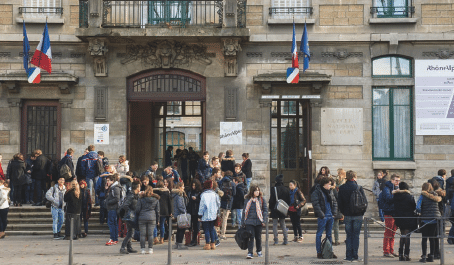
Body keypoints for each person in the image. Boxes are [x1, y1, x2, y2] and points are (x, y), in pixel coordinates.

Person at [338, 170, 367, 262]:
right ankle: (355, 256)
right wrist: (361, 213)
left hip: (347, 215)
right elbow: (365, 202)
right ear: (354, 177)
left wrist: (344, 212)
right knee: (356, 236)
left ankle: (348, 256)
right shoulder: (358, 187)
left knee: (349, 235)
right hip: (358, 215)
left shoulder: (342, 188)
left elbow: (339, 203)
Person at [311, 176, 338, 259]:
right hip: (323, 216)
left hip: (330, 216)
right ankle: (319, 252)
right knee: (319, 234)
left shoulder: (330, 192)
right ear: (324, 184)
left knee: (329, 235)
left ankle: (330, 251)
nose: (330, 186)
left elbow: (334, 203)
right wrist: (321, 214)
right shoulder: (317, 192)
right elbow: (316, 204)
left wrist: (334, 213)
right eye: (329, 184)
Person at [417, 182, 442, 263]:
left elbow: (418, 207)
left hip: (425, 219)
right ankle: (431, 256)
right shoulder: (435, 195)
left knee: (424, 238)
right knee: (432, 238)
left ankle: (424, 256)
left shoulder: (422, 196)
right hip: (434, 219)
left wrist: (420, 212)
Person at [392, 181, 417, 261]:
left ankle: (400, 254)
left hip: (399, 217)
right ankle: (406, 254)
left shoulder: (396, 196)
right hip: (408, 217)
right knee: (407, 235)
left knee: (402, 235)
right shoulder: (409, 196)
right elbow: (414, 207)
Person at [242, 185, 268, 259]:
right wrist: (243, 222)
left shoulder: (261, 199)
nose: (257, 192)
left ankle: (259, 251)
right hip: (249, 221)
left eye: (258, 190)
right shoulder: (247, 199)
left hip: (259, 221)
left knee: (258, 237)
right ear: (252, 191)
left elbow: (265, 209)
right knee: (250, 237)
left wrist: (264, 217)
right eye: (256, 190)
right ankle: (250, 252)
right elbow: (244, 211)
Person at [380, 174, 400, 258]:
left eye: (398, 181)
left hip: (395, 213)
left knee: (393, 233)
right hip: (388, 212)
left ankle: (391, 250)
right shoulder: (386, 188)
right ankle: (386, 251)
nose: (397, 182)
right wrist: (396, 194)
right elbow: (388, 199)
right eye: (396, 180)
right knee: (388, 232)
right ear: (391, 180)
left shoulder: (395, 188)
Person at [136, 185, 160, 254]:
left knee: (142, 234)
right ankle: (150, 249)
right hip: (152, 217)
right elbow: (157, 211)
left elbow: (137, 210)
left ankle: (142, 249)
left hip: (142, 217)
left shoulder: (141, 199)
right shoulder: (156, 199)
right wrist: (157, 219)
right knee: (150, 234)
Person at [119, 181, 140, 254]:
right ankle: (123, 247)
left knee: (130, 231)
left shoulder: (134, 195)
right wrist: (129, 212)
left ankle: (129, 247)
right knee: (130, 233)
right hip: (129, 217)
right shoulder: (131, 196)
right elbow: (125, 205)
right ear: (137, 188)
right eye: (139, 187)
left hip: (131, 216)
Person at [198, 179, 220, 250]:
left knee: (206, 229)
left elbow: (202, 206)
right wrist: (216, 212)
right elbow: (218, 204)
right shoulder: (215, 194)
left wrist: (200, 215)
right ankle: (213, 243)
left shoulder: (203, 195)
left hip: (205, 215)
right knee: (211, 229)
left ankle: (207, 244)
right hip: (213, 214)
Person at [269, 174, 290, 245]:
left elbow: (271, 200)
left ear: (276, 181)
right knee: (283, 224)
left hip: (275, 209)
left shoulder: (273, 189)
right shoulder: (286, 189)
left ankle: (276, 240)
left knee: (275, 224)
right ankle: (286, 240)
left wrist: (271, 208)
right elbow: (288, 201)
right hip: (282, 209)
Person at [153, 180, 173, 244]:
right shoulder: (166, 192)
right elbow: (169, 202)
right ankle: (162, 238)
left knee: (155, 225)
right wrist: (170, 211)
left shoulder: (154, 192)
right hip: (164, 210)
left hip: (155, 210)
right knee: (162, 225)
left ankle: (155, 238)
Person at [218, 170, 235, 240]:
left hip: (220, 201)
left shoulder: (221, 181)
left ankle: (216, 231)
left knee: (218, 216)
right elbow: (234, 193)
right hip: (228, 202)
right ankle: (223, 234)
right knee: (225, 218)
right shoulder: (232, 183)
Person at [172, 182, 189, 249]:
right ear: (179, 187)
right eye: (182, 186)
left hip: (177, 214)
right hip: (180, 214)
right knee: (182, 229)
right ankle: (180, 243)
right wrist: (184, 212)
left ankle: (177, 243)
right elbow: (180, 206)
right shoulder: (179, 195)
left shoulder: (175, 195)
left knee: (179, 229)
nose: (183, 188)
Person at [105, 174, 121, 246]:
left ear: (112, 181)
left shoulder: (115, 188)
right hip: (112, 208)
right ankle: (114, 238)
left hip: (113, 208)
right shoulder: (112, 187)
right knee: (113, 223)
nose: (107, 182)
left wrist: (108, 202)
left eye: (108, 180)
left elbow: (117, 198)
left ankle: (112, 238)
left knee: (111, 223)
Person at [187, 179, 202, 246]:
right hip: (191, 210)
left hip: (196, 211)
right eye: (192, 185)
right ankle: (191, 240)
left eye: (194, 185)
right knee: (190, 226)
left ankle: (194, 240)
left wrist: (196, 199)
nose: (193, 186)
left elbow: (201, 202)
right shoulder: (190, 192)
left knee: (195, 227)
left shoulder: (199, 192)